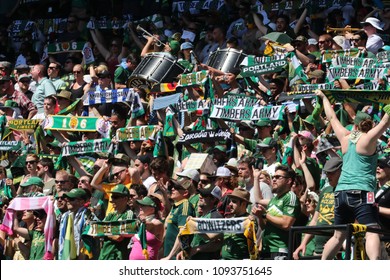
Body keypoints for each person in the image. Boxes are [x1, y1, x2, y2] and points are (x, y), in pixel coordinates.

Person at [316, 89, 390, 260]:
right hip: (363, 192)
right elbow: (386, 122)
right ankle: (375, 267)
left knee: (338, 235)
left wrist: (324, 97)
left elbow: (332, 117)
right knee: (372, 231)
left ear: (354, 124)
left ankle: (322, 266)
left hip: (340, 193)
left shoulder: (345, 137)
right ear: (369, 125)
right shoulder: (369, 138)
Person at [293, 157, 342, 259]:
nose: (328, 176)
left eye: (332, 173)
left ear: (342, 171)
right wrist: (303, 243)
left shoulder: (347, 192)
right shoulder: (325, 190)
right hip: (318, 250)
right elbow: (315, 220)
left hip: (336, 251)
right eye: (327, 173)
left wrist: (340, 245)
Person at [252, 165, 300, 260]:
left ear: (288, 181)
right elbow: (264, 226)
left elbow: (286, 224)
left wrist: (265, 214)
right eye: (273, 177)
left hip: (280, 250)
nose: (274, 179)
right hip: (267, 249)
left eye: (278, 177)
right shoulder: (274, 199)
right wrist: (256, 178)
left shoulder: (290, 197)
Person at [177, 185, 223, 260]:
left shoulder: (215, 216)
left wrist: (198, 249)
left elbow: (218, 243)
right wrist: (185, 252)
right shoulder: (202, 216)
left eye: (204, 195)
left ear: (213, 199)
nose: (200, 196)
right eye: (200, 193)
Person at [99, 184, 136, 260]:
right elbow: (96, 230)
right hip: (104, 255)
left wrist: (105, 231)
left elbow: (121, 236)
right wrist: (113, 233)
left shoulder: (129, 214)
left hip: (117, 256)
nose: (112, 200)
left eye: (115, 197)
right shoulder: (111, 214)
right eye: (112, 197)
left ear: (125, 199)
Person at [162, 179, 195, 259]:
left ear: (185, 192)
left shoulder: (185, 205)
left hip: (176, 257)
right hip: (169, 254)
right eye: (172, 187)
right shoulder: (176, 206)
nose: (172, 189)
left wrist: (170, 256)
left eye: (176, 187)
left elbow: (183, 233)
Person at [221, 188, 253, 260]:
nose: (230, 204)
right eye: (230, 201)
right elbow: (212, 236)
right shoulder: (229, 220)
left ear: (243, 204)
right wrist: (195, 226)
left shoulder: (249, 220)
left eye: (234, 201)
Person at [129, 196, 164, 260]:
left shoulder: (157, 223)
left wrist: (144, 221)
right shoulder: (140, 223)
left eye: (143, 205)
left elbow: (151, 226)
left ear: (152, 209)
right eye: (140, 205)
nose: (140, 207)